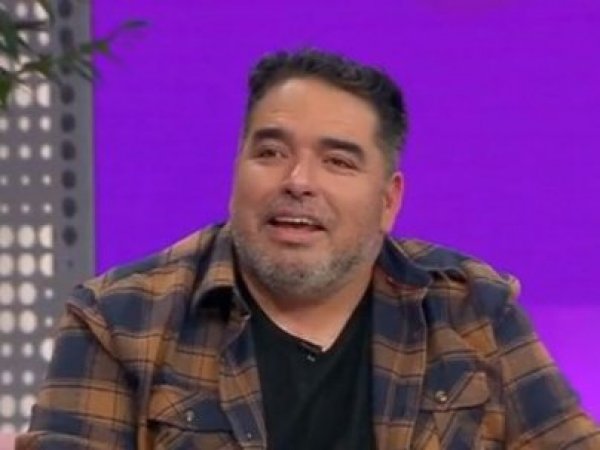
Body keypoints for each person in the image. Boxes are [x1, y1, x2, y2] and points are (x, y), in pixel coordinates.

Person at [17, 49, 599, 450]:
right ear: (236, 171)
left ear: (388, 201)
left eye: (338, 161)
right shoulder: (119, 319)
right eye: (270, 153)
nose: (297, 180)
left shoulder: (470, 308)